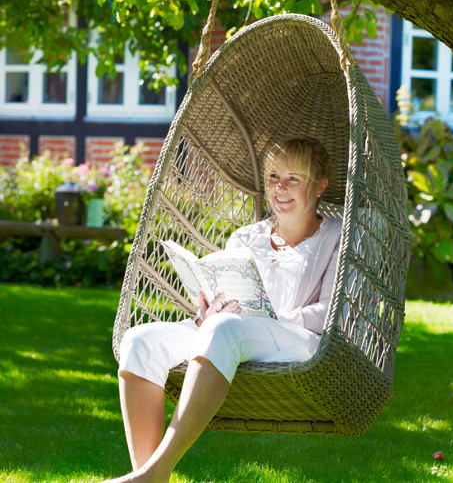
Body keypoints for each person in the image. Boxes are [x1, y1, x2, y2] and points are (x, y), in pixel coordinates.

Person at [104, 137, 342, 483]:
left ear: (320, 185)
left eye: (294, 178)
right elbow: (220, 305)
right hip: (232, 331)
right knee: (140, 340)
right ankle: (146, 478)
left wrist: (262, 320)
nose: (280, 188)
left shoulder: (337, 236)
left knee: (223, 330)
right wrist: (208, 313)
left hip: (298, 339)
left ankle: (157, 471)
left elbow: (331, 311)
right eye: (274, 177)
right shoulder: (246, 237)